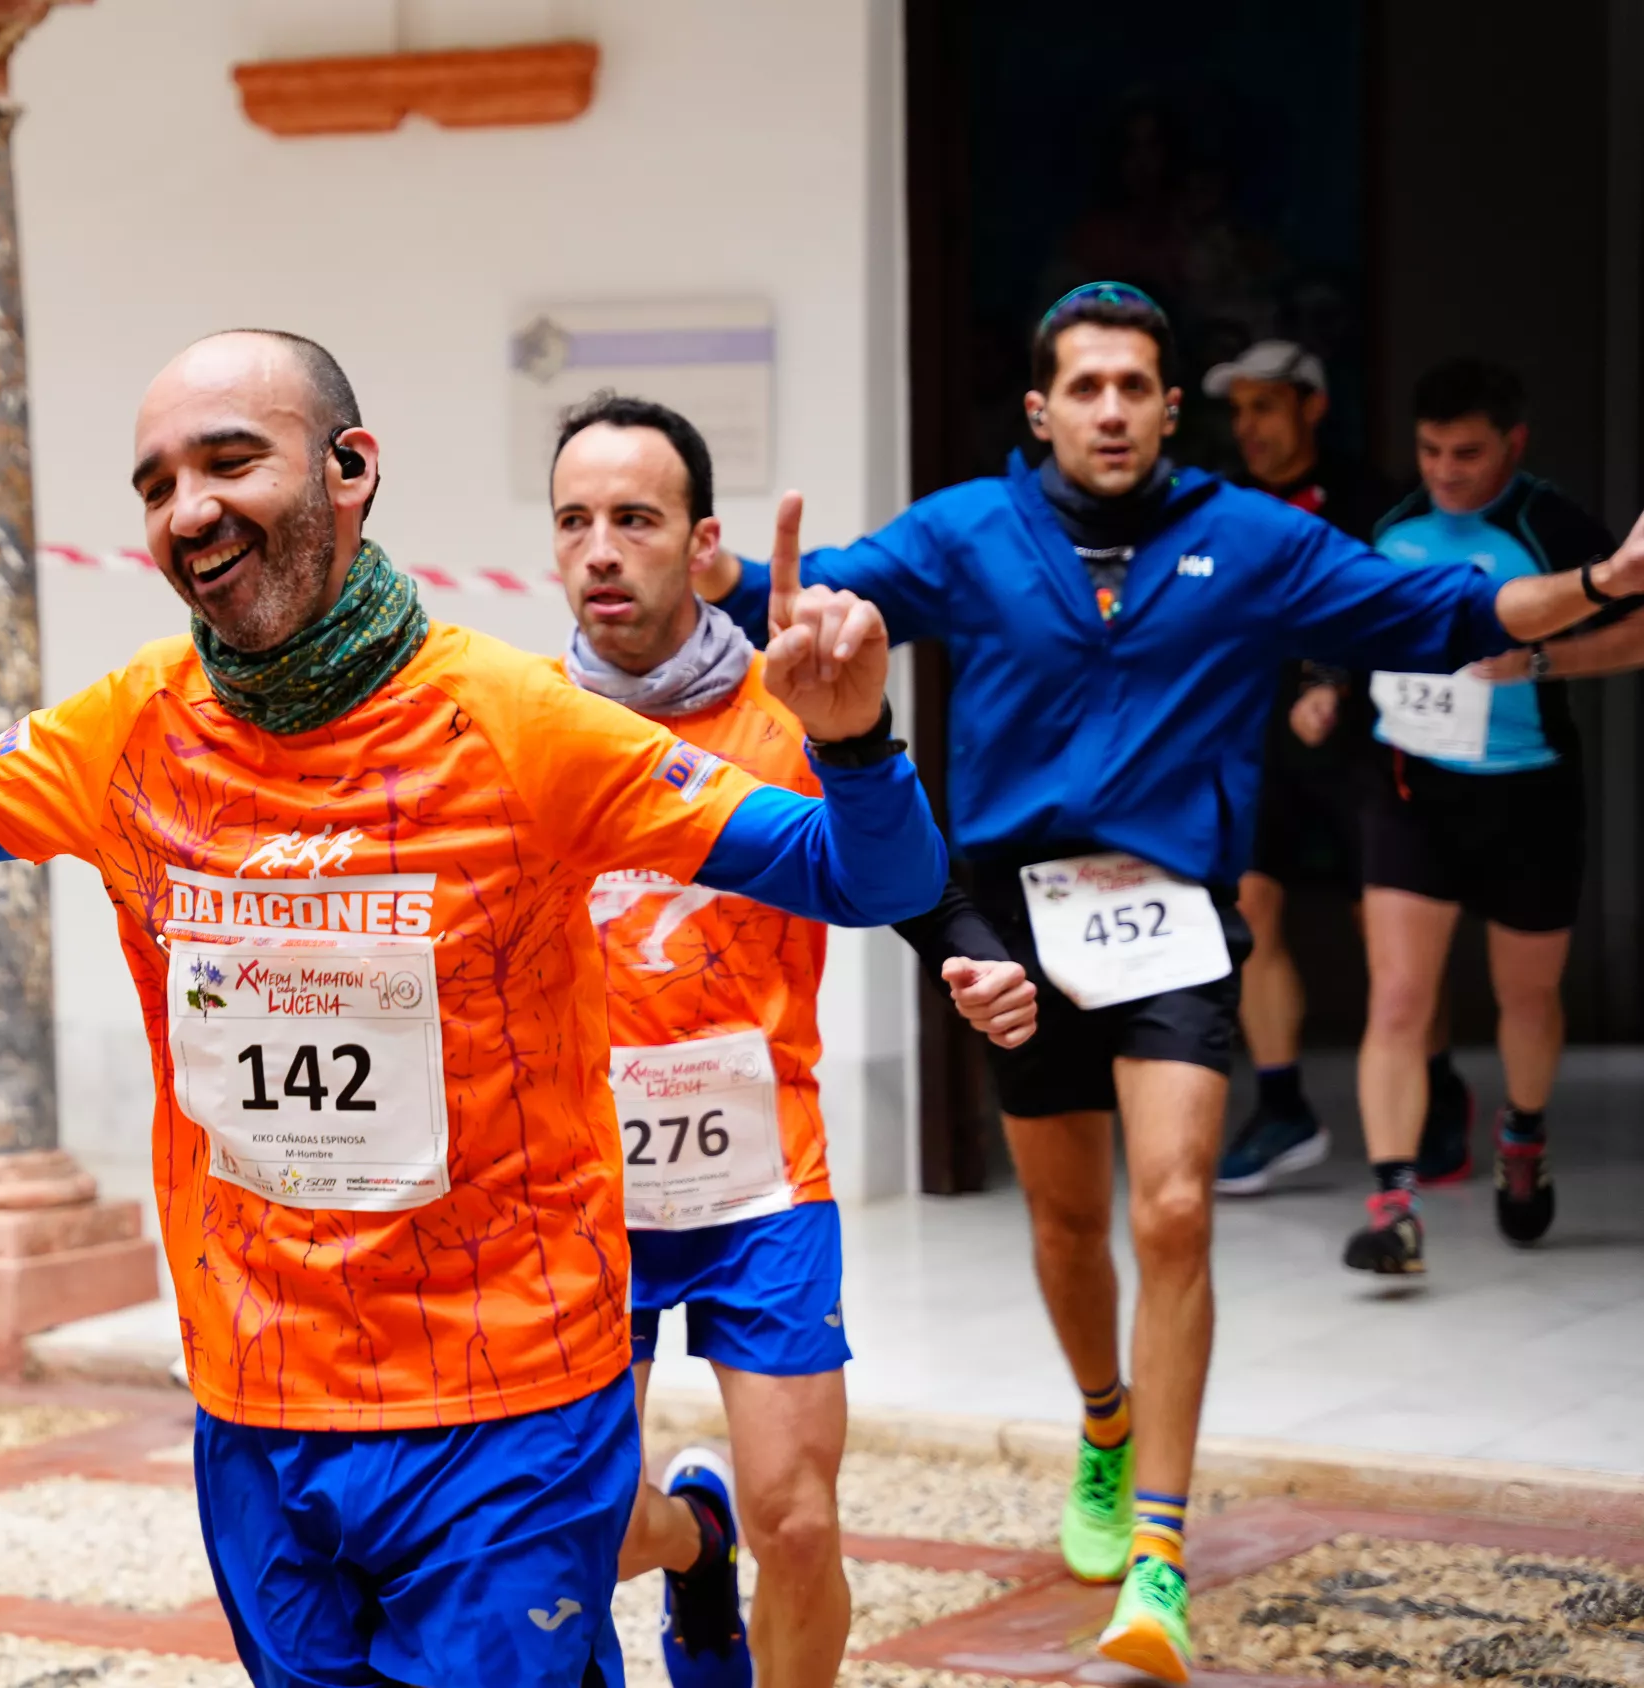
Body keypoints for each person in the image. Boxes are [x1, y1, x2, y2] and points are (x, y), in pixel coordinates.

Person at [0, 332, 950, 1688]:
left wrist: (857, 743)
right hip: (258, 1406)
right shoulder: (130, 734)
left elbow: (868, 878)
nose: (189, 507)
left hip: (506, 1406)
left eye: (230, 461)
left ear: (351, 470)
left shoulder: (519, 723)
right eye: (157, 483)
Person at [691, 283, 1644, 1683]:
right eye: (1085, 388)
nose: (1112, 409)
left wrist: (1608, 585)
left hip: (1173, 921)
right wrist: (714, 577)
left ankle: (1159, 1555)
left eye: (1136, 387)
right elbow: (823, 591)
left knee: (1178, 1205)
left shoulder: (1247, 541)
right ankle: (1102, 1416)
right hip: (1012, 927)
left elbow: (1437, 610)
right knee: (1071, 1225)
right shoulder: (970, 531)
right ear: (1042, 410)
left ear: (1170, 408)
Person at [548, 394, 853, 1688]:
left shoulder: (787, 716)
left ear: (700, 539)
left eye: (635, 518)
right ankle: (690, 1544)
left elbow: (896, 864)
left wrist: (975, 954)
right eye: (575, 522)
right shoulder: (524, 723)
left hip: (760, 1177)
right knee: (597, 1530)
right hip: (581, 1184)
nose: (601, 548)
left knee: (802, 1517)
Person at [1313, 360, 1630, 1272]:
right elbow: (1350, 621)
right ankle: (1392, 1206)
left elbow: (1640, 623)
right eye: (1430, 450)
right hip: (1408, 789)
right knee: (1401, 996)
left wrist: (1541, 666)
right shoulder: (1392, 525)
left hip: (1528, 791)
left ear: (1513, 445)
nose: (1446, 470)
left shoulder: (1550, 523)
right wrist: (1329, 687)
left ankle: (1521, 1138)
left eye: (1468, 452)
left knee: (1525, 995)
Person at [1199, 340, 1392, 1195]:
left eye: (1265, 407)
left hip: (1365, 745)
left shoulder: (1373, 501)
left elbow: (1395, 605)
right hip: (1255, 742)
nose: (1249, 428)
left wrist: (1335, 681)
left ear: (1312, 407)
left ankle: (1435, 1097)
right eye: (1238, 411)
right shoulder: (1218, 505)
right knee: (1253, 911)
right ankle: (1281, 1105)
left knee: (1384, 930)